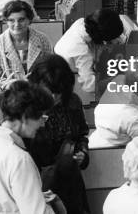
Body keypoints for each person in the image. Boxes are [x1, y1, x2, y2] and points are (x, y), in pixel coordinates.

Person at [0, 81, 65, 214]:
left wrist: (11, 201)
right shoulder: (19, 159)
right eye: (41, 117)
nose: (42, 124)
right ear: (24, 117)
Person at [27, 54, 91, 214]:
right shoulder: (27, 108)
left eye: (59, 92)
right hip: (40, 185)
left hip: (71, 183)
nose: (54, 97)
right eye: (50, 91)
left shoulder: (72, 101)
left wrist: (82, 153)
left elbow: (82, 134)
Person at [0, 0, 52, 92]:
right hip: (10, 98)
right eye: (11, 20)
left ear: (29, 20)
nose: (16, 25)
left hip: (38, 95)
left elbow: (50, 72)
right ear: (6, 21)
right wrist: (14, 84)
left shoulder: (43, 40)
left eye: (21, 20)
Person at [55, 9, 124, 93]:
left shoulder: (83, 22)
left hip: (65, 58)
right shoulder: (81, 51)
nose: (118, 40)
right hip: (67, 78)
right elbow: (90, 86)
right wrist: (117, 79)